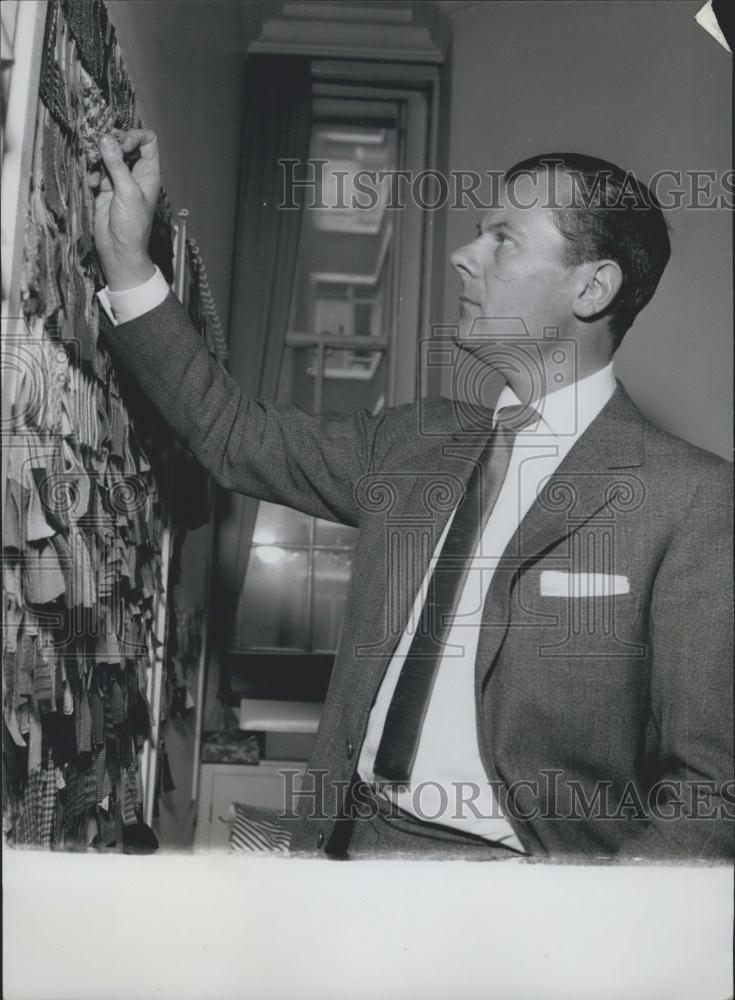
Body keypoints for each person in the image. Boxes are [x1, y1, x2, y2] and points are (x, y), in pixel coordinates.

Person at [90, 131, 733, 861]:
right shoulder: (413, 443)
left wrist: (594, 939)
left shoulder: (690, 499)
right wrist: (127, 263)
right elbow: (235, 434)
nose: (465, 255)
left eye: (503, 240)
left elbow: (709, 792)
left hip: (529, 901)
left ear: (591, 288)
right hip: (348, 852)